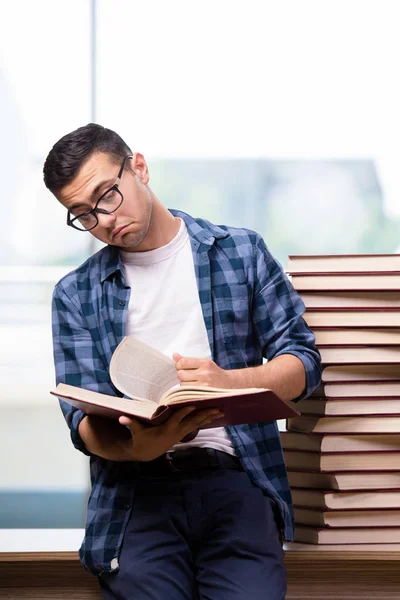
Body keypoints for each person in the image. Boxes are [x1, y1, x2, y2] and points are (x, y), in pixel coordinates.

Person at [43, 123, 321, 600]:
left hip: (235, 478)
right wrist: (140, 447)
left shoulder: (240, 253)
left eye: (107, 196)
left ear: (140, 168)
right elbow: (81, 421)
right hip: (135, 492)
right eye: (83, 215)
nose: (104, 220)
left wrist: (226, 381)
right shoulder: (75, 293)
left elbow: (303, 363)